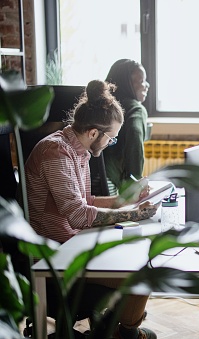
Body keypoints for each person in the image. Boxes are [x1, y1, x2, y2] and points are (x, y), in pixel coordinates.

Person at [25, 80, 158, 339]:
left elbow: (85, 201)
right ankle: (123, 333)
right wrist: (134, 215)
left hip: (71, 244)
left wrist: (126, 200)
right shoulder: (56, 152)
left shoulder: (78, 150)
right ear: (94, 133)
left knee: (141, 258)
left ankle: (119, 330)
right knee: (142, 273)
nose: (112, 143)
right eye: (112, 137)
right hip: (53, 260)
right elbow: (77, 214)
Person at [102, 59, 150, 193]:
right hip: (112, 186)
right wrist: (135, 187)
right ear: (127, 84)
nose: (147, 85)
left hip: (87, 183)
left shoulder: (99, 105)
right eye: (141, 81)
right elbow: (135, 142)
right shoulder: (135, 109)